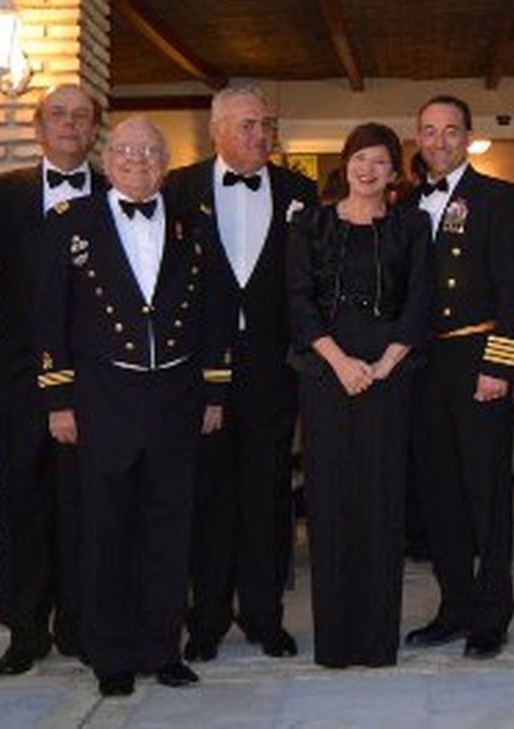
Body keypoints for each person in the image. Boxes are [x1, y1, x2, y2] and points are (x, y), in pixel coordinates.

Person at [36, 116, 231, 697]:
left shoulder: (195, 225)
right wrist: (59, 399)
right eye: (126, 151)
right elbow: (50, 315)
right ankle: (111, 655)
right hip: (103, 398)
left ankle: (161, 648)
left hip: (176, 396)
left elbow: (217, 312)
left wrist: (216, 390)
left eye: (149, 152)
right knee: (106, 530)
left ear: (165, 164)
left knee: (169, 528)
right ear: (107, 159)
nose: (138, 160)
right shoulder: (72, 222)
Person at [0, 83, 102, 674]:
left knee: (82, 504)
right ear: (40, 128)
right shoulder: (0, 194)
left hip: (91, 383)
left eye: (81, 117)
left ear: (93, 130)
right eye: (58, 115)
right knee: (20, 501)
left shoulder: (116, 195)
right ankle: (25, 628)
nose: (69, 125)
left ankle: (80, 624)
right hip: (13, 381)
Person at [167, 85, 317, 663]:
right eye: (249, 125)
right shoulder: (177, 190)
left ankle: (264, 616)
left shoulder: (298, 192)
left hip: (273, 375)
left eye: (267, 126)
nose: (261, 136)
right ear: (218, 129)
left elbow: (309, 285)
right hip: (198, 376)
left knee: (268, 497)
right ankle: (205, 620)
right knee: (207, 498)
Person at [287, 122, 431, 668]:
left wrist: (383, 364)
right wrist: (342, 362)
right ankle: (336, 642)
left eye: (379, 162)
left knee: (381, 502)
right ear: (344, 164)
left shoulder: (411, 226)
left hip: (389, 373)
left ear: (394, 174)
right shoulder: (311, 223)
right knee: (330, 504)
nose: (367, 170)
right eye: (358, 159)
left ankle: (376, 642)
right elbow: (297, 300)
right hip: (326, 371)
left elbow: (418, 302)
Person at [404, 95, 514, 660]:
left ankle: (492, 613)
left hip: (477, 362)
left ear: (468, 136)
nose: (439, 142)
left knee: (485, 495)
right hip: (423, 370)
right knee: (440, 497)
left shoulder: (498, 199)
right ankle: (454, 606)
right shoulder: (407, 206)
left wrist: (501, 366)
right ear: (418, 138)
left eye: (450, 131)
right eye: (429, 132)